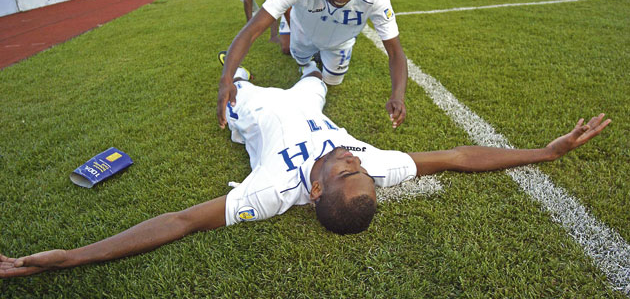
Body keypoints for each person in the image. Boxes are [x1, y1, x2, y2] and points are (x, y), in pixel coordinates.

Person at [0, 59, 611, 278]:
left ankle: (234, 72)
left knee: (234, 86)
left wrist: (66, 256)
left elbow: (181, 222)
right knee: (316, 76)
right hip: (307, 101)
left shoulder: (270, 192)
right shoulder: (373, 168)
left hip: (263, 111)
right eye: (361, 169)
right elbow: (459, 158)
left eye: (349, 171)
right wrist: (545, 152)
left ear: (314, 188)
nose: (356, 158)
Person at [217, 0, 408, 130]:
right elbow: (252, 30)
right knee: (303, 62)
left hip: (340, 44)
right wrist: (226, 78)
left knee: (332, 82)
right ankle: (307, 64)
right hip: (303, 36)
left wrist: (397, 95)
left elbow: (395, 51)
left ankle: (316, 64)